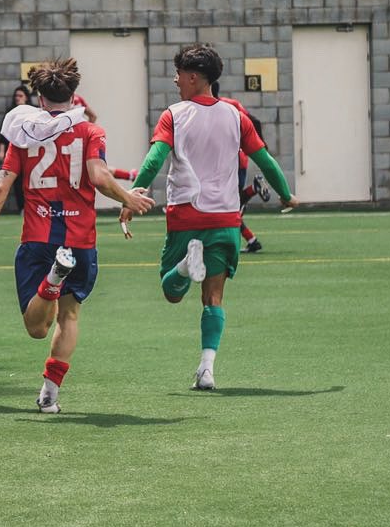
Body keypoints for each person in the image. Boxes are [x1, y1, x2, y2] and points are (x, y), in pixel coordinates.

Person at [0, 59, 153, 412]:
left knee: (35, 327)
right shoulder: (89, 131)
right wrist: (128, 197)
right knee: (69, 315)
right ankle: (50, 394)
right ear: (74, 96)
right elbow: (99, 177)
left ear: (39, 98)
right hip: (80, 240)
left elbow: (0, 186)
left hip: (38, 237)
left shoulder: (24, 133)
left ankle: (52, 280)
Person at [120, 44, 297, 391]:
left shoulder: (174, 115)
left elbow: (155, 160)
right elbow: (265, 160)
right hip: (226, 219)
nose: (174, 80)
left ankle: (186, 266)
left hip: (187, 215)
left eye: (178, 74)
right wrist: (286, 193)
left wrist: (132, 195)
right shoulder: (235, 115)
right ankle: (206, 368)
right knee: (213, 298)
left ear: (193, 77)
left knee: (172, 293)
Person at [211, 82, 271, 252]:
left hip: (225, 162)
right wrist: (262, 145)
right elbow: (255, 122)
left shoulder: (200, 109)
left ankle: (254, 189)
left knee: (229, 205)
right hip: (236, 160)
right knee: (229, 204)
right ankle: (252, 241)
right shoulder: (231, 105)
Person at [0, 84, 33, 212]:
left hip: (31, 150)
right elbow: (4, 135)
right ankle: (22, 207)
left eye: (20, 96)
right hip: (15, 148)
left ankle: (31, 205)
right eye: (16, 96)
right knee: (16, 181)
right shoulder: (11, 113)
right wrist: (1, 151)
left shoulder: (34, 112)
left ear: (27, 98)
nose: (17, 98)